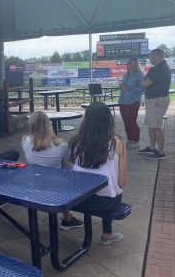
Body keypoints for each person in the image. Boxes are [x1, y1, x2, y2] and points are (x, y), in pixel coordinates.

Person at [69, 102, 127, 245]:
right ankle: (107, 233)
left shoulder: (76, 140)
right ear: (109, 120)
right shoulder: (117, 143)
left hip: (78, 199)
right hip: (105, 203)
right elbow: (122, 183)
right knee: (113, 189)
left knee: (106, 188)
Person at [22, 111, 83, 230]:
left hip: (33, 183)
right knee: (64, 178)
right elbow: (68, 168)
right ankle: (67, 219)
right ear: (48, 124)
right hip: (56, 187)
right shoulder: (61, 144)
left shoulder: (25, 140)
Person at [139, 48, 172, 160]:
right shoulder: (159, 68)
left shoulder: (159, 69)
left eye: (151, 56)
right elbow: (145, 81)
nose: (150, 58)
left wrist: (145, 80)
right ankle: (152, 147)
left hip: (157, 100)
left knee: (157, 126)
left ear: (157, 56)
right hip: (154, 100)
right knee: (152, 125)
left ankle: (161, 151)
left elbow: (145, 82)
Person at [119, 58, 144, 149]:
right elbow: (123, 87)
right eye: (128, 63)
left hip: (133, 101)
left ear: (136, 65)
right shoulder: (126, 75)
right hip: (122, 101)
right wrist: (121, 87)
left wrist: (127, 88)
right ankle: (129, 139)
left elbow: (142, 89)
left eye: (132, 64)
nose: (129, 65)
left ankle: (136, 140)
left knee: (132, 122)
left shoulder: (139, 75)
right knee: (126, 122)